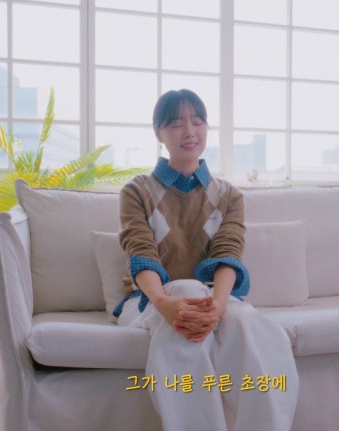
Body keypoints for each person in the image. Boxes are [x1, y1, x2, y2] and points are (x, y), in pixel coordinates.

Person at [114, 89, 299, 431]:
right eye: (176, 123)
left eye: (197, 121)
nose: (189, 131)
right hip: (150, 300)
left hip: (212, 297)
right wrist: (164, 303)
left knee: (247, 322)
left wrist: (218, 306)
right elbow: (140, 252)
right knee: (186, 290)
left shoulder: (229, 195)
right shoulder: (137, 191)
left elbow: (228, 253)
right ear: (158, 133)